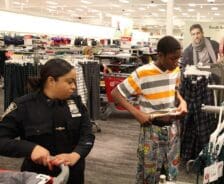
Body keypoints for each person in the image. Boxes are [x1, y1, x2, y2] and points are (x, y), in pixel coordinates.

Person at [0, 58, 95, 184]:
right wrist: (30, 149)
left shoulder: (76, 103)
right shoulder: (23, 106)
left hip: (73, 174)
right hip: (37, 177)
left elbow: (87, 135)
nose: (74, 87)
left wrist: (75, 155)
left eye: (75, 82)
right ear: (51, 81)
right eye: (69, 82)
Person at [111, 36, 187, 183]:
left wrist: (182, 102)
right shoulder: (143, 73)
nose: (176, 62)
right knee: (149, 173)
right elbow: (116, 93)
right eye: (172, 58)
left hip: (172, 129)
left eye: (178, 59)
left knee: (171, 171)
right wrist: (137, 113)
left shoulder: (176, 70)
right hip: (152, 129)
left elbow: (175, 90)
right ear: (160, 55)